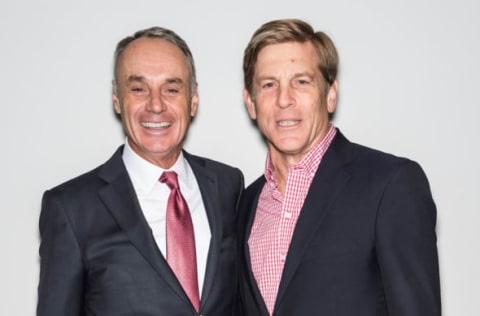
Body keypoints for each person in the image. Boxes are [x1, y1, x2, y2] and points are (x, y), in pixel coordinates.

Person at [238, 19, 441, 316]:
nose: (284, 99)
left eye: (301, 82)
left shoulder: (391, 185)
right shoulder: (245, 204)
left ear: (330, 93)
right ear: (251, 103)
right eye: (269, 85)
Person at [37, 26, 244, 316]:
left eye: (172, 89)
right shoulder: (71, 209)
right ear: (117, 99)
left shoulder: (227, 186)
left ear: (193, 100)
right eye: (138, 89)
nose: (156, 105)